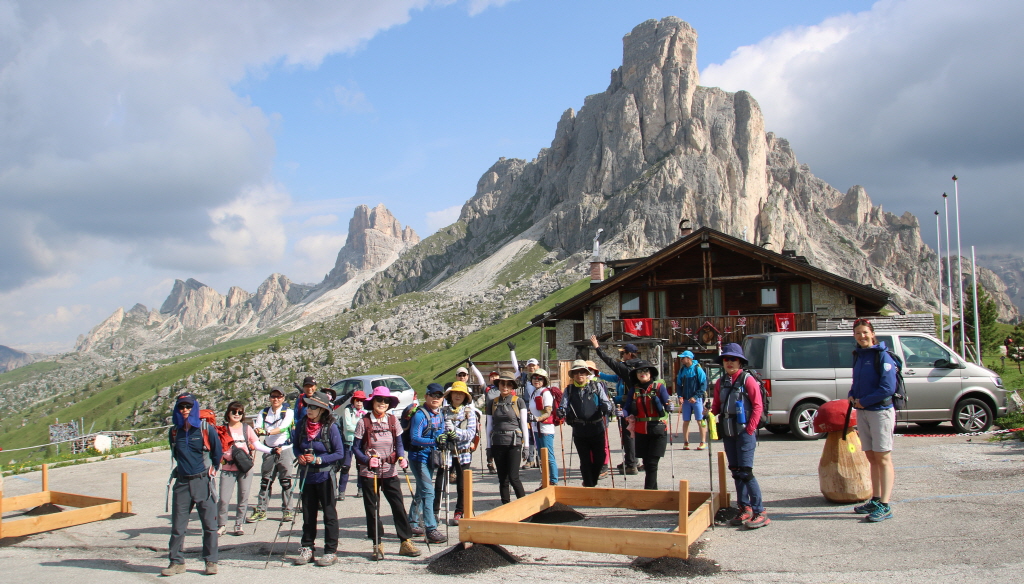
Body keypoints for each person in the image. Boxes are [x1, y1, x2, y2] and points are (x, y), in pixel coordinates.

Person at [352, 386, 422, 560]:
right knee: (372, 508)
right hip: (370, 473)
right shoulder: (363, 422)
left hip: (390, 470)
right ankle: (377, 544)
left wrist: (401, 457)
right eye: (379, 400)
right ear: (372, 402)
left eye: (385, 401)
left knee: (398, 506)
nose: (382, 403)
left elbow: (399, 443)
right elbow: (355, 448)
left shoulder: (392, 420)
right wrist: (368, 460)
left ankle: (405, 541)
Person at [163, 393, 221, 577]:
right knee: (178, 526)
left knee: (209, 525)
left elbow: (217, 452)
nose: (185, 410)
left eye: (188, 406)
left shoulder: (205, 428)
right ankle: (176, 562)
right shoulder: (174, 431)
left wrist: (214, 469)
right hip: (182, 482)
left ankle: (211, 561)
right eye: (181, 407)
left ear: (194, 408)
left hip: (202, 481)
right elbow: (175, 453)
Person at [711, 343, 769, 529]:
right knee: (736, 472)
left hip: (744, 432)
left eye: (733, 359)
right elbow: (716, 406)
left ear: (740, 361)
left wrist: (750, 429)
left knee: (746, 472)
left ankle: (760, 511)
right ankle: (744, 508)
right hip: (728, 433)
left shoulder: (747, 380)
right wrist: (708, 413)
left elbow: (757, 406)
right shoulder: (721, 382)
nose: (729, 362)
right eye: (726, 359)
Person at [849, 318, 898, 523]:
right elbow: (858, 382)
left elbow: (888, 388)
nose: (862, 336)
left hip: (880, 412)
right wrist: (852, 395)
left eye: (865, 332)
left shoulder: (883, 356)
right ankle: (876, 499)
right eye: (858, 333)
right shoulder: (859, 356)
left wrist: (864, 401)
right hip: (864, 411)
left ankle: (885, 505)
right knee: (871, 458)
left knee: (883, 458)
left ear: (872, 333)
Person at [291, 391, 344, 566]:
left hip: (325, 475)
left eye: (313, 407)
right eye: (307, 406)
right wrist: (299, 455)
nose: (309, 410)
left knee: (329, 514)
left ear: (322, 410)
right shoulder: (301, 425)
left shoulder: (331, 427)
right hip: (307, 475)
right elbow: (296, 446)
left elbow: (339, 453)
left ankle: (330, 551)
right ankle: (307, 548)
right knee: (308, 513)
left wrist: (319, 459)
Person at [217, 401, 271, 536]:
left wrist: (272, 451)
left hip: (244, 468)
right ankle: (222, 525)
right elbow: (216, 449)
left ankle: (238, 524)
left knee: (243, 497)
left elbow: (257, 445)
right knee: (224, 499)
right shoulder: (222, 429)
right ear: (228, 413)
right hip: (227, 468)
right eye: (234, 412)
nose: (236, 414)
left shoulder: (247, 429)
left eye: (240, 412)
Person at [590, 336, 642, 474]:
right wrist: (599, 373)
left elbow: (609, 361)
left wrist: (597, 348)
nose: (622, 356)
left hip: (629, 403)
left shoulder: (626, 368)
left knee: (628, 433)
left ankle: (631, 465)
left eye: (623, 353)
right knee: (637, 432)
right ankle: (634, 460)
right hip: (642, 403)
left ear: (629, 354)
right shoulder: (644, 365)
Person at [559, 360, 612, 488]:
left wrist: (607, 407)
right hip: (579, 429)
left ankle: (591, 481)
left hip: (597, 427)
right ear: (573, 375)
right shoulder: (570, 390)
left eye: (582, 372)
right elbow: (563, 405)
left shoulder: (596, 386)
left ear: (586, 373)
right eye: (576, 372)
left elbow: (607, 403)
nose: (579, 375)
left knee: (600, 458)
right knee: (585, 460)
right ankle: (589, 486)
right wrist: (561, 411)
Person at [407, 383, 447, 544]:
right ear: (427, 396)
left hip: (431, 456)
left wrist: (445, 437)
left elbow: (441, 432)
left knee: (421, 491)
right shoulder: (420, 415)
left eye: (439, 396)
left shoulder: (440, 414)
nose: (436, 398)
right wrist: (434, 440)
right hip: (418, 457)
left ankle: (413, 522)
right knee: (428, 492)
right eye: (433, 395)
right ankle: (430, 528)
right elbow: (415, 438)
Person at [250, 386, 296, 523]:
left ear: (283, 398)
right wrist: (258, 431)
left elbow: (283, 428)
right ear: (269, 398)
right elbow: (257, 427)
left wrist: (266, 432)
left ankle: (288, 511)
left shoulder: (288, 412)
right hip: (269, 450)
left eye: (279, 397)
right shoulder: (263, 413)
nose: (275, 399)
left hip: (285, 449)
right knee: (265, 481)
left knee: (286, 481)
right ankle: (261, 510)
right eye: (273, 396)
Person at [622, 360, 668, 489]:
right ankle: (654, 493)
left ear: (651, 373)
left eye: (645, 371)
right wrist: (623, 414)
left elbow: (667, 404)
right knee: (646, 464)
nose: (642, 373)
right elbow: (627, 408)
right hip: (641, 430)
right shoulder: (634, 390)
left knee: (652, 463)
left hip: (657, 429)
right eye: (639, 371)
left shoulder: (659, 387)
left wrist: (669, 406)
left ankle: (648, 493)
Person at [436, 381, 477, 525]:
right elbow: (439, 429)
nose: (458, 396)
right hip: (446, 453)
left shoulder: (469, 412)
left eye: (461, 394)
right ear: (451, 395)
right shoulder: (443, 411)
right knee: (440, 483)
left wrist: (455, 432)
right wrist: (442, 436)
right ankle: (435, 512)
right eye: (455, 393)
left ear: (465, 397)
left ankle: (460, 511)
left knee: (462, 485)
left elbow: (471, 433)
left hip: (463, 453)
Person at [486, 371, 529, 503]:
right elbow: (488, 427)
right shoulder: (492, 403)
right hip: (497, 443)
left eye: (508, 384)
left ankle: (525, 507)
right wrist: (488, 448)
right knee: (502, 479)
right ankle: (506, 507)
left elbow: (523, 425)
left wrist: (526, 446)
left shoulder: (519, 402)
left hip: (514, 443)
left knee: (513, 477)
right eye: (502, 383)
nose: (505, 386)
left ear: (512, 387)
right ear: (498, 385)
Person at [527, 368, 559, 486]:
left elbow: (548, 412)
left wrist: (537, 419)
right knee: (541, 456)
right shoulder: (535, 392)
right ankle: (546, 480)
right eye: (534, 378)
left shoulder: (545, 392)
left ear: (544, 380)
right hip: (536, 428)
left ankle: (554, 480)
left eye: (540, 378)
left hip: (545, 428)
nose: (537, 380)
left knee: (548, 456)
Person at [510, 343, 540, 468]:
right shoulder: (524, 377)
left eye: (533, 366)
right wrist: (512, 351)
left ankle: (540, 458)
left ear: (537, 366)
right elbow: (516, 367)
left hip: (539, 407)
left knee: (539, 433)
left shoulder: (542, 377)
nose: (531, 368)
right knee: (528, 432)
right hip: (527, 407)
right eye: (530, 366)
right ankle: (530, 459)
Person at [337, 390, 367, 500]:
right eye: (357, 400)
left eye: (361, 401)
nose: (359, 403)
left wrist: (359, 430)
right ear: (353, 401)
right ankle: (341, 491)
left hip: (361, 443)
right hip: (348, 442)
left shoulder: (366, 411)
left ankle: (360, 489)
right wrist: (361, 429)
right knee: (345, 467)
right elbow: (348, 426)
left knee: (360, 466)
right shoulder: (347, 410)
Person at [675, 351, 708, 450]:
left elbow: (703, 385)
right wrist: (680, 396)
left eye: (682, 358)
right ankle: (686, 442)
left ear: (689, 358)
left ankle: (702, 442)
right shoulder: (682, 370)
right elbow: (679, 385)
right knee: (686, 421)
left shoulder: (698, 369)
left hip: (696, 400)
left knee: (700, 420)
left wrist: (696, 396)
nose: (681, 360)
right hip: (686, 400)